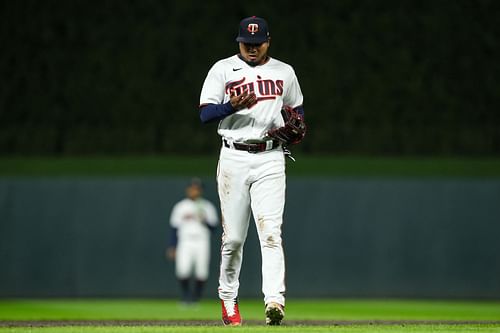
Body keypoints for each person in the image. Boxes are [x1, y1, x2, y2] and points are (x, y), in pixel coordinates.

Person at [198, 16, 305, 326]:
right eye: (247, 43)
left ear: (268, 42)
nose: (252, 48)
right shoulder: (222, 69)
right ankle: (228, 298)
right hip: (233, 157)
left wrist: (296, 127)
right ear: (239, 42)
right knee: (232, 240)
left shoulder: (284, 72)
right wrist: (230, 106)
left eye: (258, 44)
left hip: (270, 158)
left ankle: (275, 301)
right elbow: (205, 113)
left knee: (271, 232)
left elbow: (296, 110)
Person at [166, 178, 219, 305]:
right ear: (188, 190)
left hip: (202, 241)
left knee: (202, 271)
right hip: (185, 241)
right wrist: (172, 246)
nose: (194, 191)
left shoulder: (207, 206)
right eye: (192, 188)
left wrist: (204, 220)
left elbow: (214, 228)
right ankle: (186, 296)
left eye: (197, 189)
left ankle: (196, 297)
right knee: (183, 270)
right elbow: (174, 228)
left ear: (201, 191)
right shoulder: (180, 206)